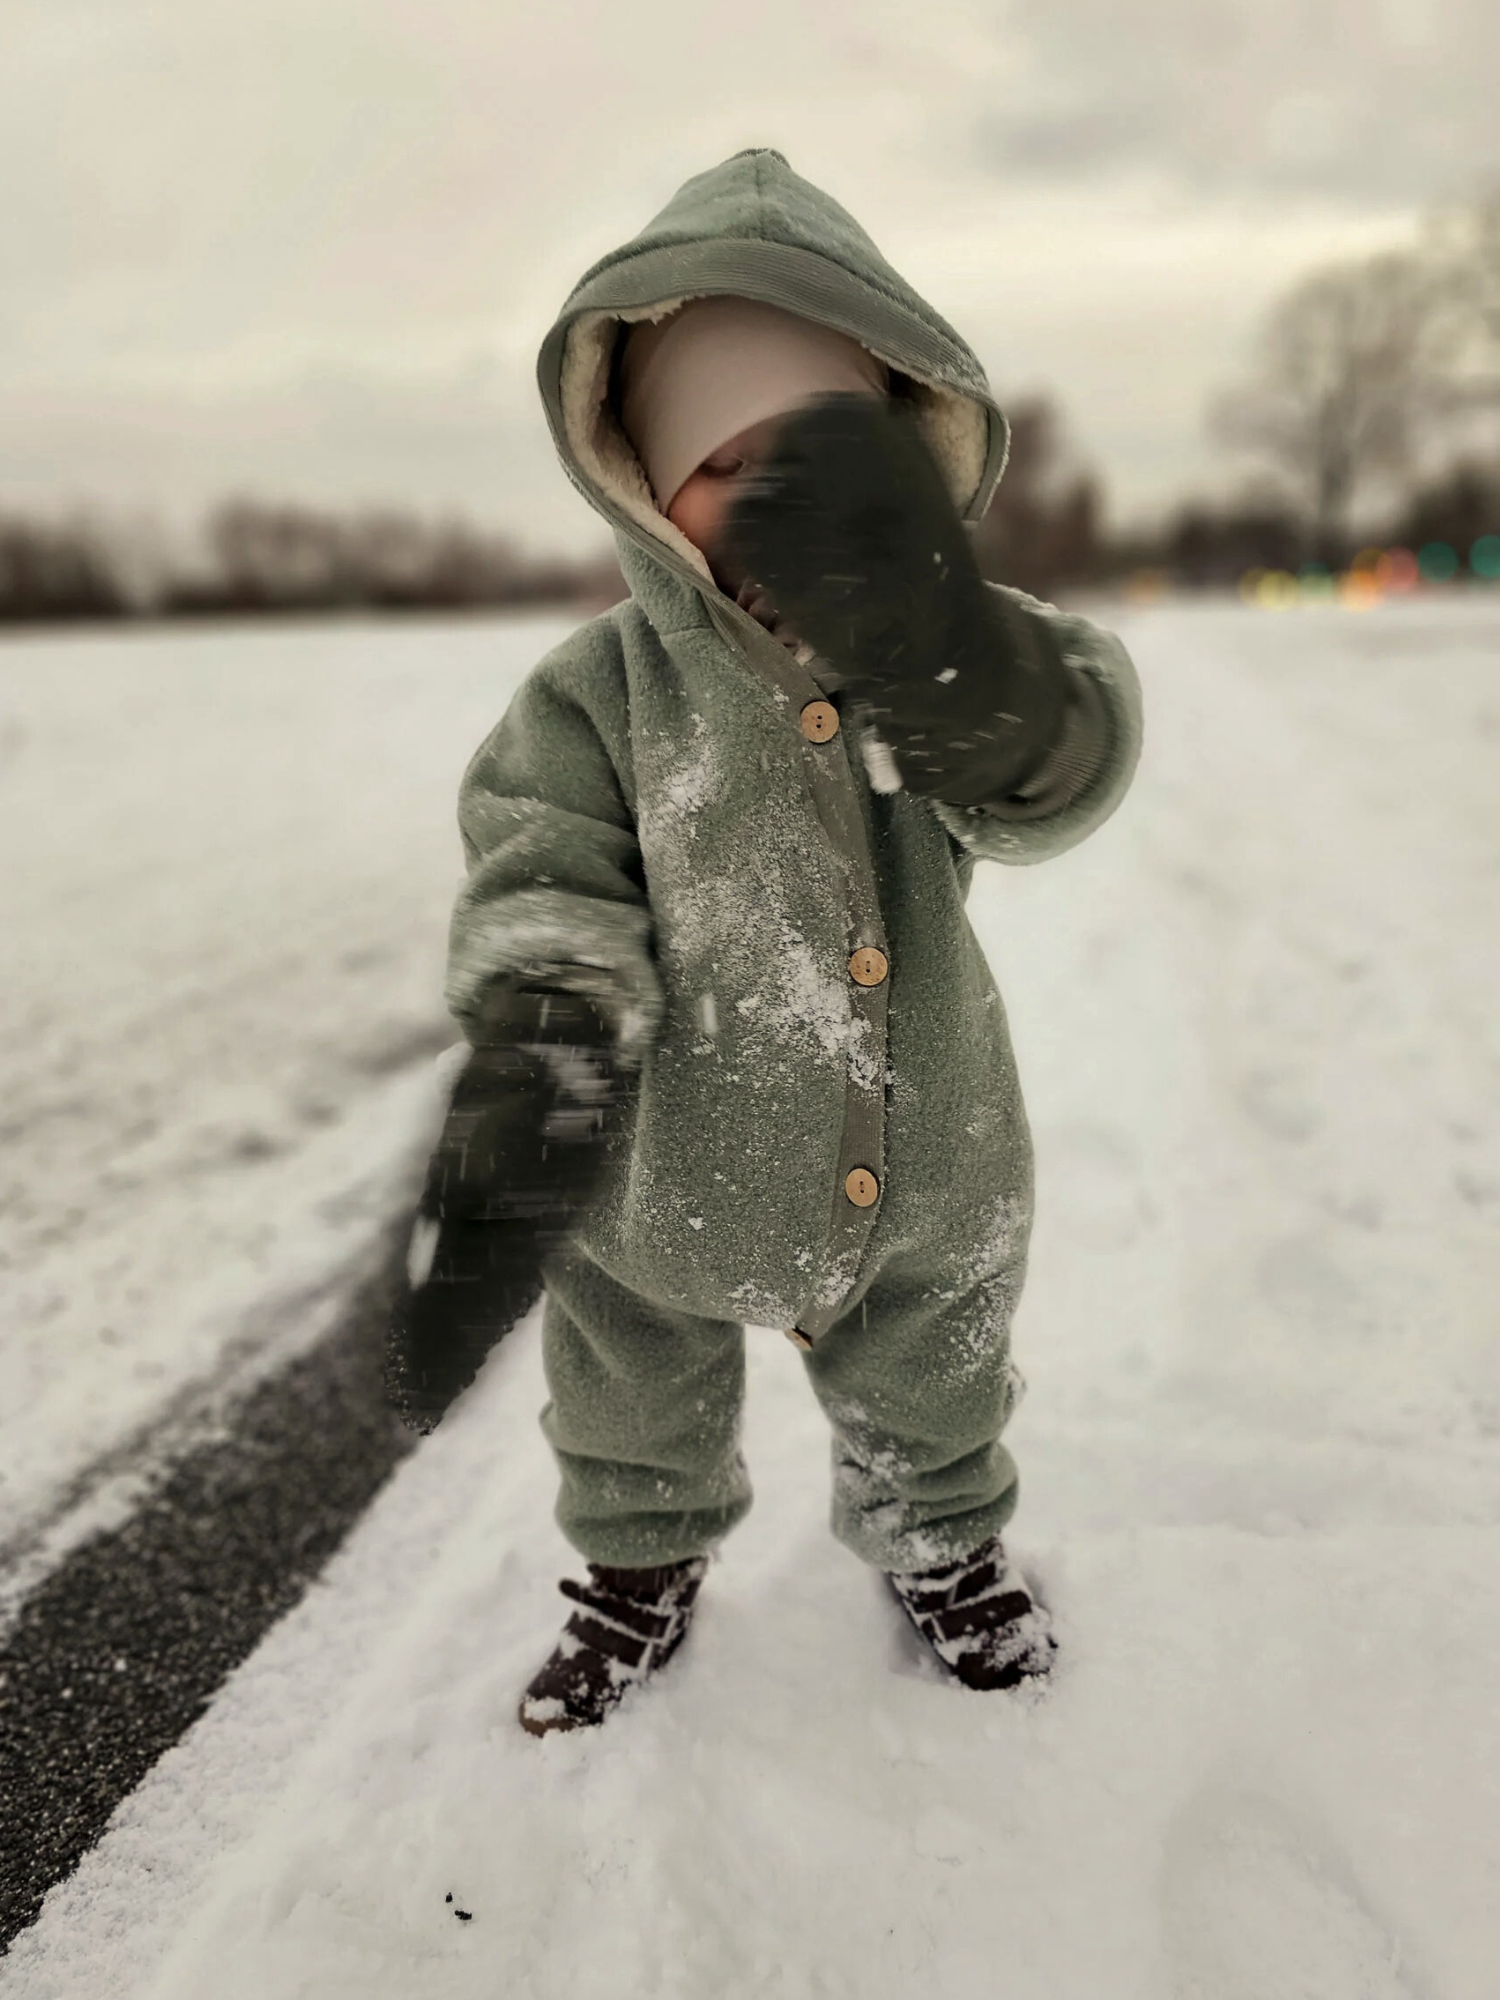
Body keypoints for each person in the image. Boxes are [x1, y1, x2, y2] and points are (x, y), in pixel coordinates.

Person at [386, 148, 1143, 1738]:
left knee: (930, 1370)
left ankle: (941, 1541)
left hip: (921, 1147)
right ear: (648, 494)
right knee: (628, 1387)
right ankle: (635, 1571)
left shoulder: (937, 649)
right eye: (731, 466)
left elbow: (1051, 772)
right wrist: (547, 1029)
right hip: (662, 1167)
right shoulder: (598, 697)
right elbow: (542, 855)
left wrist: (964, 664)